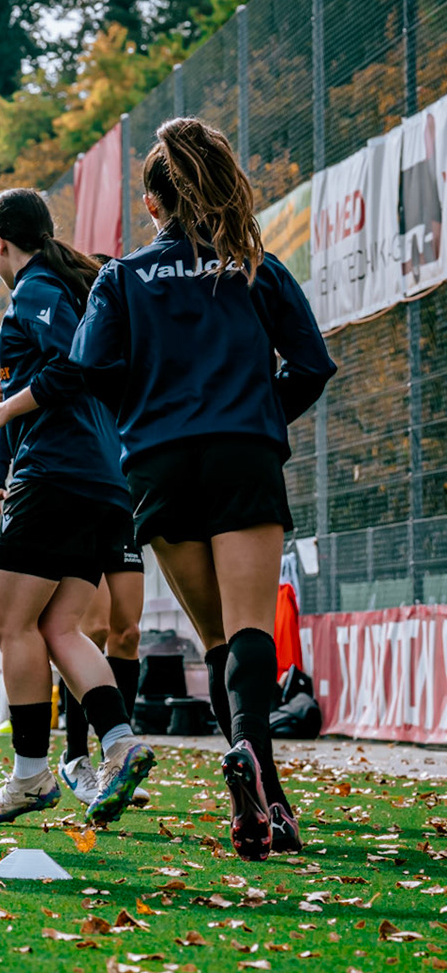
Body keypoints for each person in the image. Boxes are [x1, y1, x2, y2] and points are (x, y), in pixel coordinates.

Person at [71, 117, 334, 861]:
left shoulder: (121, 278)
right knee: (250, 631)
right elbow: (311, 365)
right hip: (241, 452)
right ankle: (253, 767)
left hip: (159, 464)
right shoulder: (255, 266)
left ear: (152, 205)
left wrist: (146, 420)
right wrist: (257, 416)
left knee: (216, 639)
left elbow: (91, 373)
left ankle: (268, 798)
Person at [0, 187, 156, 827]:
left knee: (9, 624)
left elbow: (68, 370)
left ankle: (30, 777)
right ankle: (120, 742)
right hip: (103, 480)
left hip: (59, 476)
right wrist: (15, 400)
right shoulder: (74, 288)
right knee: (60, 627)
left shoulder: (38, 289)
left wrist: (0, 411)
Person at [61, 519, 147, 806]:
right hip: (82, 507)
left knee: (128, 635)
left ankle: (114, 767)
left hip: (121, 510)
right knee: (93, 631)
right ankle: (74, 756)